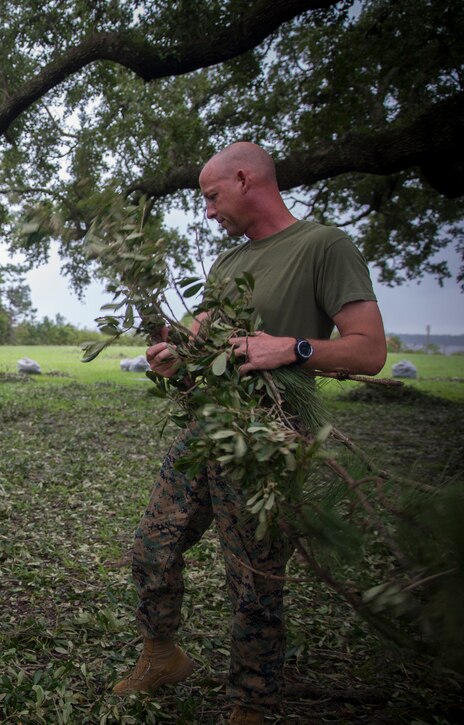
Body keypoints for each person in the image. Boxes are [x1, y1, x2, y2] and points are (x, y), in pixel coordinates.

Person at [114, 142, 387, 725]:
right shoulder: (227, 266)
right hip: (208, 428)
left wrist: (292, 347)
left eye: (212, 197)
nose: (208, 212)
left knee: (253, 577)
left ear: (245, 180)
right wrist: (171, 351)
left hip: (272, 437)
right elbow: (201, 337)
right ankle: (162, 653)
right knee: (152, 548)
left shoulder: (324, 246)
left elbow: (370, 351)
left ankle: (252, 702)